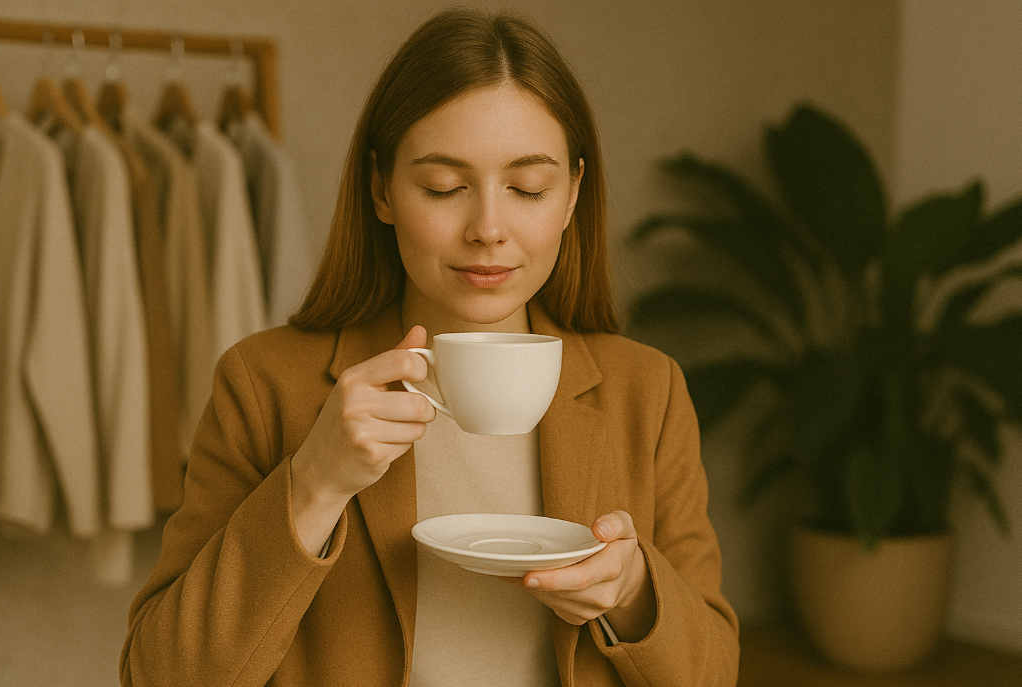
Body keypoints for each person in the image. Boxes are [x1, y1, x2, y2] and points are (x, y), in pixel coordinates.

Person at [120, 8, 739, 686]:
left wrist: (634, 590)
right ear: (381, 188)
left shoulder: (645, 391)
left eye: (529, 187)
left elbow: (714, 671)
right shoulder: (265, 382)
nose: (489, 228)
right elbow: (159, 674)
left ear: (572, 196)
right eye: (444, 186)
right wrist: (312, 483)